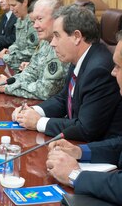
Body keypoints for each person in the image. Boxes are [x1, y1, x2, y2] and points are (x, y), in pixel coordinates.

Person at [12, 5, 122, 142]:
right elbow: (64, 98)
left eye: (57, 36)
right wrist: (33, 111)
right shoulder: (79, 57)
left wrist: (38, 123)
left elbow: (86, 129)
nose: (52, 43)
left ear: (76, 37)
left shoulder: (99, 70)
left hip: (95, 151)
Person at [45, 30, 122, 205]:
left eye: (118, 66)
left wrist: (74, 175)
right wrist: (80, 151)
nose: (113, 73)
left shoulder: (97, 66)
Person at [0, 0, 68, 100]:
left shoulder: (62, 46)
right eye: (34, 21)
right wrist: (6, 82)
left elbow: (46, 91)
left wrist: (7, 87)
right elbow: (30, 73)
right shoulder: (44, 42)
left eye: (40, 19)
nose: (35, 26)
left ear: (57, 19)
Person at [0, 0, 39, 72]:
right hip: (14, 66)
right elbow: (17, 43)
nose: (11, 9)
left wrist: (6, 56)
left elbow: (31, 52)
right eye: (10, 5)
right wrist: (9, 50)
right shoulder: (19, 19)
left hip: (26, 70)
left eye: (14, 5)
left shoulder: (32, 22)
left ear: (25, 2)